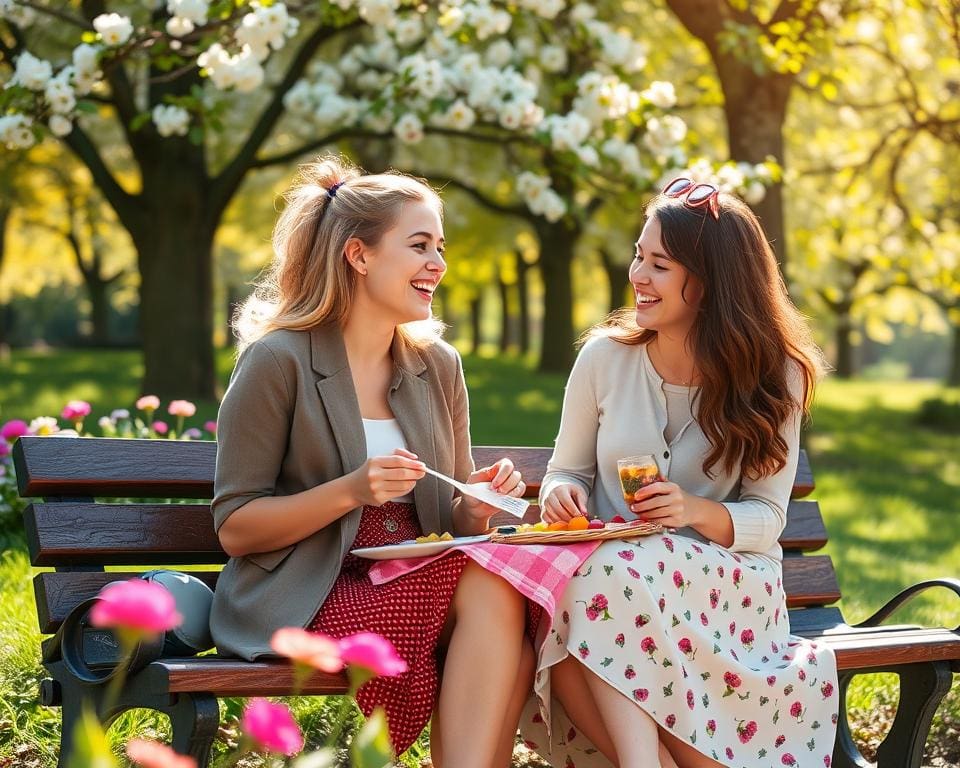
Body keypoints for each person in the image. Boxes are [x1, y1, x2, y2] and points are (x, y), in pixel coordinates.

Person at [209, 155, 533, 767]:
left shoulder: (438, 367)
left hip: (421, 573)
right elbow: (235, 526)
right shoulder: (279, 361)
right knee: (498, 604)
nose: (438, 264)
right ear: (358, 256)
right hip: (312, 587)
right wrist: (351, 491)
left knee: (506, 595)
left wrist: (477, 504)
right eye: (418, 246)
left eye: (440, 247)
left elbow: (458, 522)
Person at [522, 179, 838, 768]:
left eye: (659, 263)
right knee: (567, 614)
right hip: (616, 584)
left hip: (731, 588)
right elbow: (568, 469)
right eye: (638, 256)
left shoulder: (777, 374)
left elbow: (768, 519)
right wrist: (562, 493)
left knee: (588, 588)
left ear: (713, 279)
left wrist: (692, 511)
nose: (638, 275)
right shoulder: (602, 360)